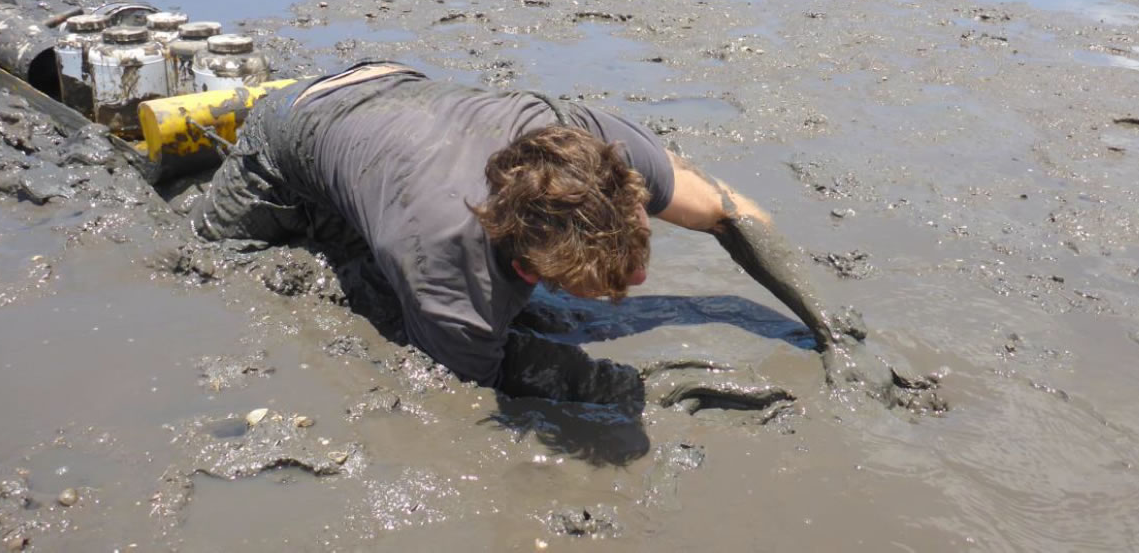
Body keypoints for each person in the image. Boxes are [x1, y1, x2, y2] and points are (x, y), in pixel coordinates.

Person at [192, 63, 870, 407]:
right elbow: (484, 373)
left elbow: (726, 209)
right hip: (288, 134)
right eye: (599, 281)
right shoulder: (449, 265)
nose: (636, 284)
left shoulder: (592, 141)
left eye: (634, 258)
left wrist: (823, 323)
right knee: (211, 257)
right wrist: (631, 386)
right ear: (527, 255)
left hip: (388, 90)